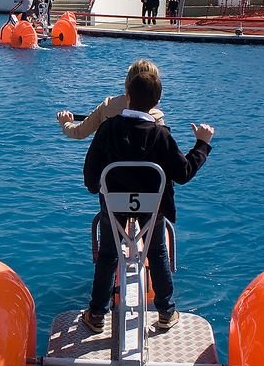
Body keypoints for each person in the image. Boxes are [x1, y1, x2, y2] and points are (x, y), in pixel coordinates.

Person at [79, 60, 214, 333]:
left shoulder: (107, 130)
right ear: (158, 100)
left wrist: (99, 190)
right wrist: (202, 144)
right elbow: (183, 173)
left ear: (126, 95)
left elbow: (91, 176)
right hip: (151, 209)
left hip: (114, 206)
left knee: (108, 256)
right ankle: (166, 311)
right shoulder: (161, 134)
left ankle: (96, 315)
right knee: (157, 252)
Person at [57, 59, 167, 138]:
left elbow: (79, 132)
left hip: (110, 170)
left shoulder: (107, 106)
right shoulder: (156, 118)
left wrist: (66, 123)